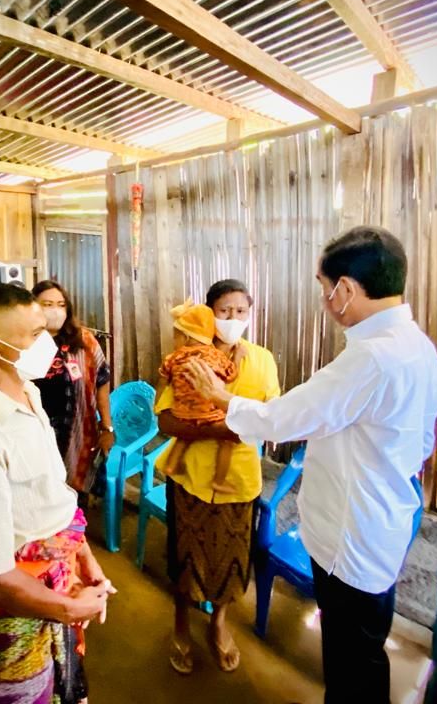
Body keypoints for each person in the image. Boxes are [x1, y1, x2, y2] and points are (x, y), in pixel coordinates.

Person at [185, 226, 437, 703]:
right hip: (380, 520)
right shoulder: (415, 345)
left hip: (352, 536)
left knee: (352, 664)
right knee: (363, 651)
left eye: (325, 287)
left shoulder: (372, 358)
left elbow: (284, 416)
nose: (324, 299)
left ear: (345, 289)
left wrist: (223, 398)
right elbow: (421, 439)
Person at [0, 283, 115, 704]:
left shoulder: (27, 393)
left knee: (67, 686)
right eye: (33, 334)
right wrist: (69, 608)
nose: (46, 342)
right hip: (16, 606)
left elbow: (50, 496)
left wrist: (83, 558)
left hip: (57, 586)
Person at [155, 279, 280, 676]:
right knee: (185, 558)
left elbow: (273, 416)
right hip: (192, 476)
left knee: (230, 562)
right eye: (224, 311)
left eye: (241, 311)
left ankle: (218, 624)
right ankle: (180, 622)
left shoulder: (263, 360)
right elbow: (166, 419)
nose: (233, 319)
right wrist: (220, 428)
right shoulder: (185, 357)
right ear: (210, 314)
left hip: (239, 481)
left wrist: (243, 425)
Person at [31, 280, 114, 499]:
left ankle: (76, 530)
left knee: (75, 493)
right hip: (35, 433)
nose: (55, 311)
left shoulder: (84, 340)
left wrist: (107, 427)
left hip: (78, 431)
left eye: (60, 304)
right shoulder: (23, 342)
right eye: (47, 304)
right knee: (42, 493)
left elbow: (102, 382)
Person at [159, 300, 238, 494]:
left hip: (182, 413)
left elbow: (163, 376)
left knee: (185, 436)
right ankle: (219, 480)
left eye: (175, 337)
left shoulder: (173, 357)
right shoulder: (216, 356)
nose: (174, 342)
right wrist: (236, 357)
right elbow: (231, 374)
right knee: (227, 441)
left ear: (186, 337)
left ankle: (171, 465)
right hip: (208, 413)